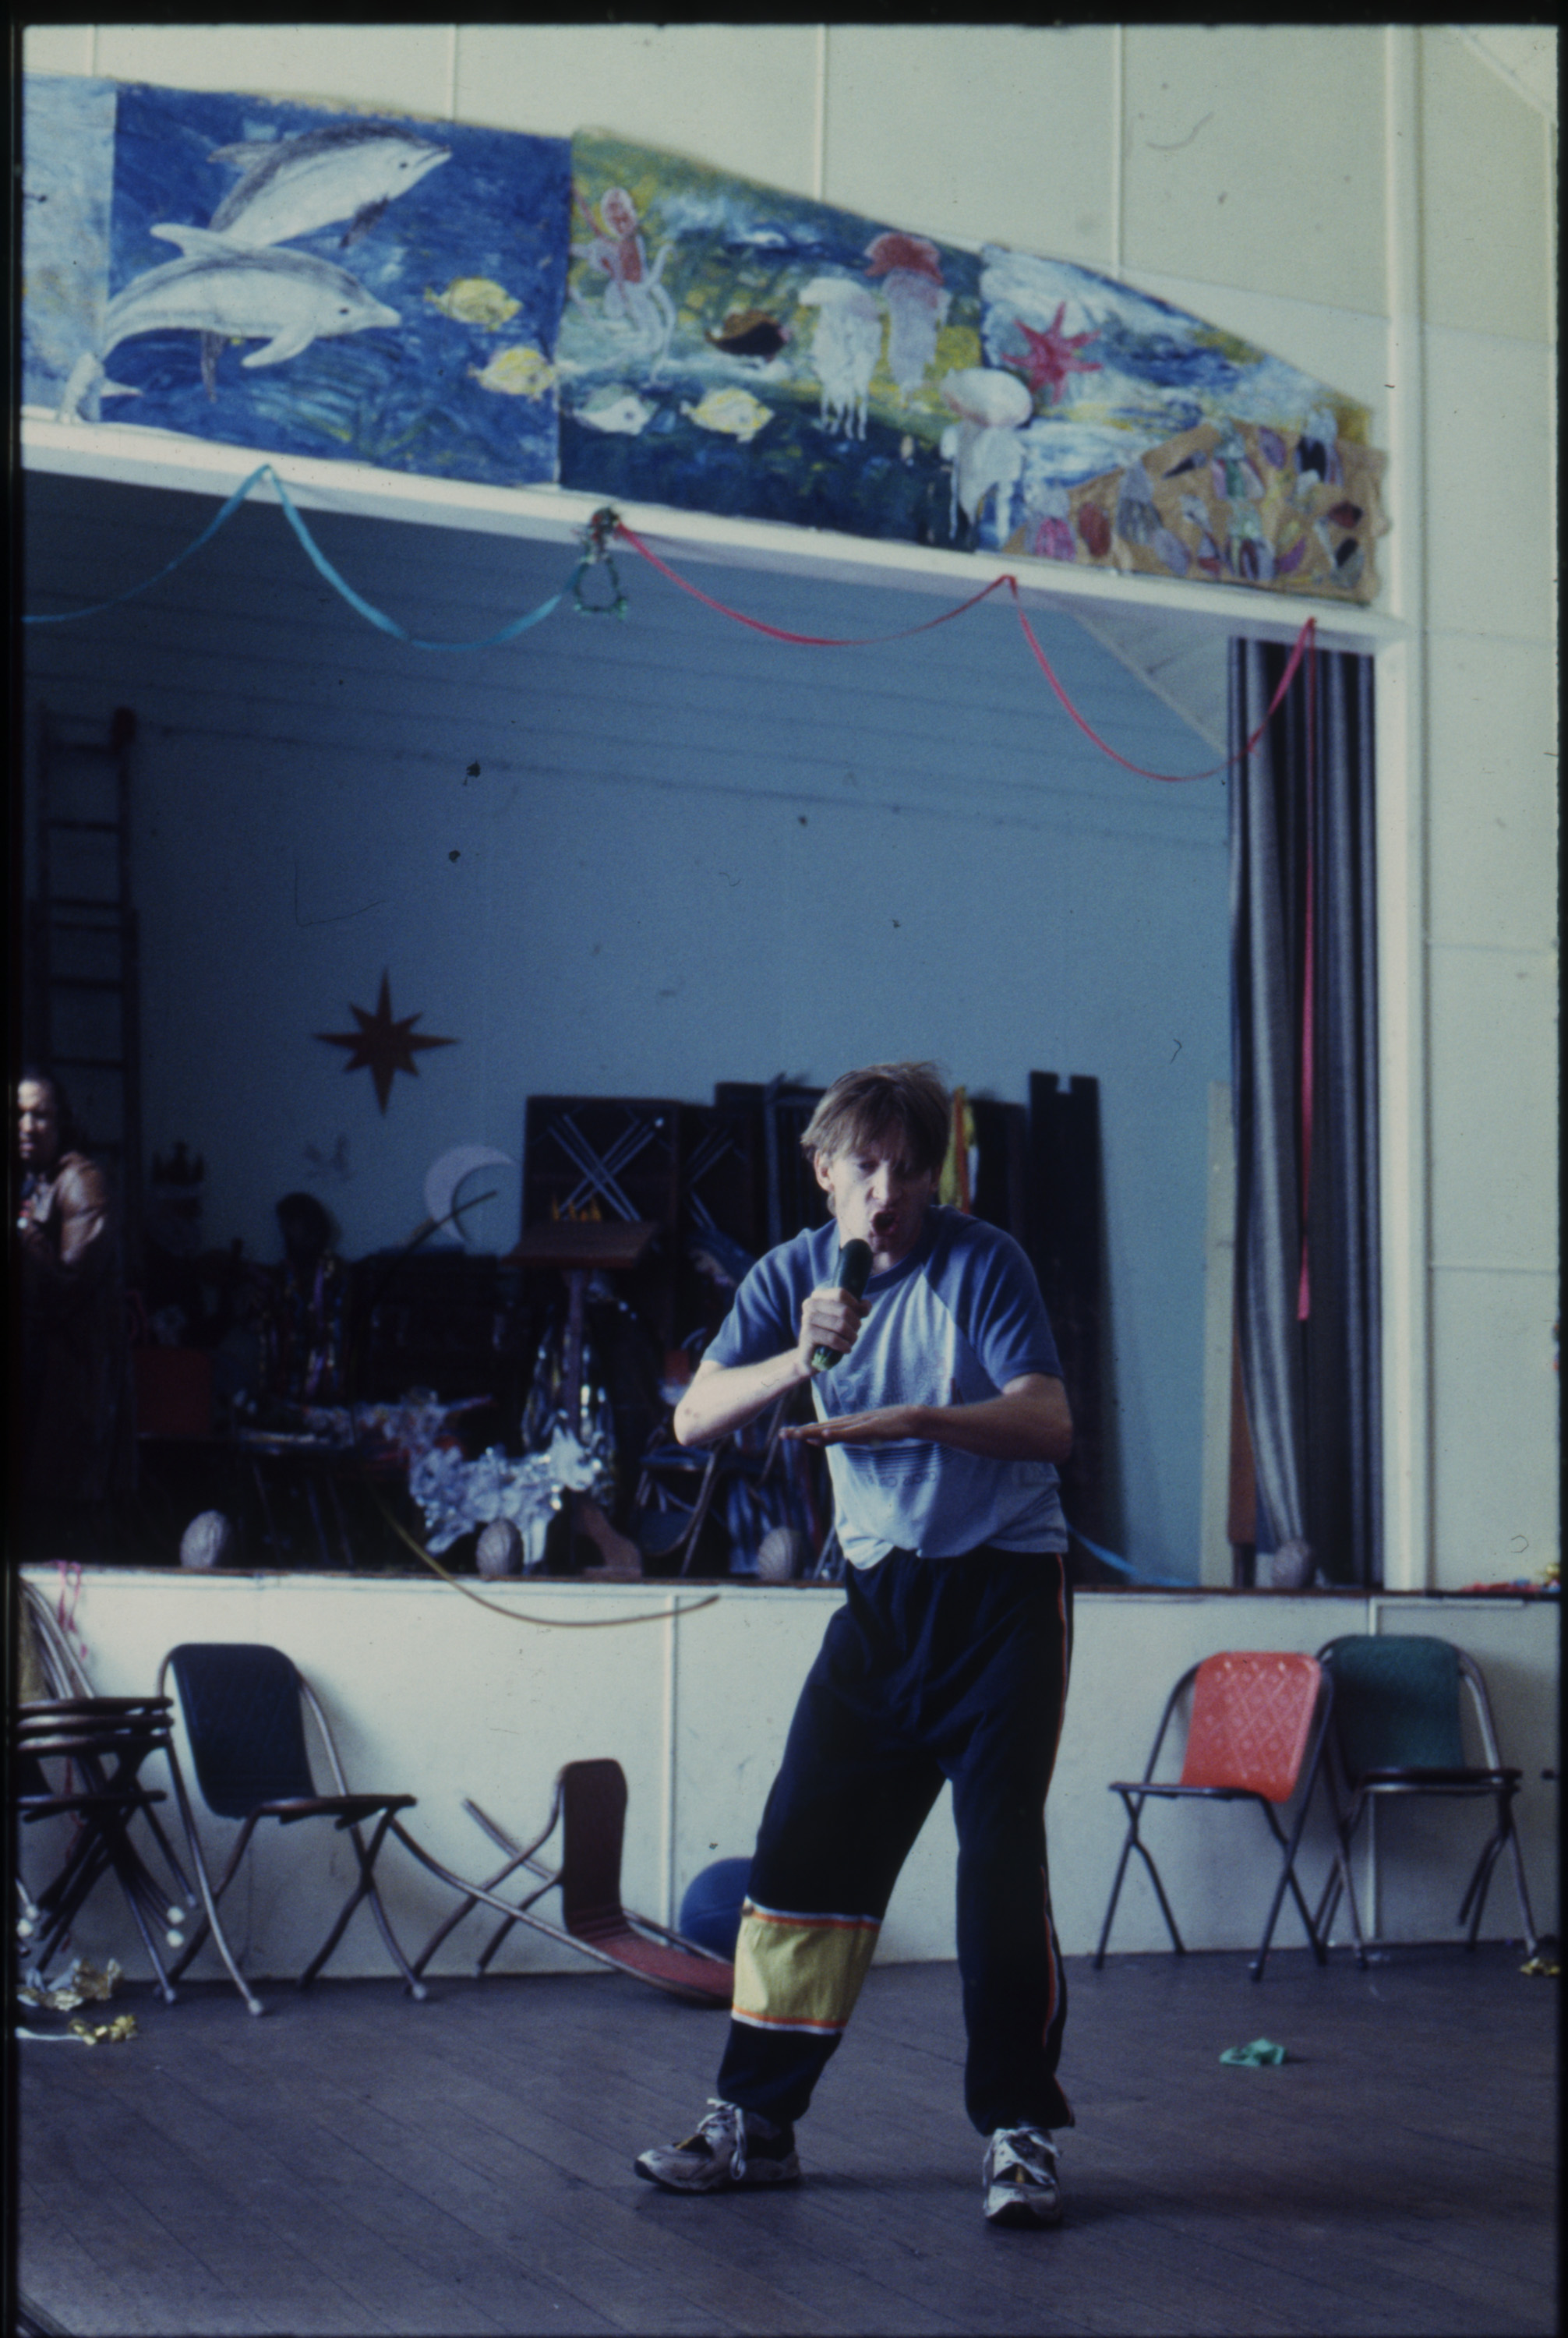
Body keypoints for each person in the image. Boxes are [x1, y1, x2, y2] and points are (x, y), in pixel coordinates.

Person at [635, 1061, 1075, 2229]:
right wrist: (803, 1354)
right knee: (800, 1852)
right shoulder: (792, 1276)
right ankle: (757, 2124)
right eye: (862, 1167)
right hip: (879, 1603)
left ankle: (1020, 2134)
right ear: (823, 1171)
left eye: (907, 1168)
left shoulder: (985, 1265)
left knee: (997, 1871)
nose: (885, 1192)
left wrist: (923, 1417)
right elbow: (691, 1416)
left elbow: (1050, 1421)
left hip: (1003, 1599)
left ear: (934, 1174)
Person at [16, 1069, 136, 1552]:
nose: (27, 1126)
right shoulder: (34, 1182)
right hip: (41, 1395)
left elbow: (66, 1289)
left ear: (61, 1121)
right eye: (19, 1115)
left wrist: (22, 1235)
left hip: (73, 1400)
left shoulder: (82, 1182)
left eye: (40, 1115)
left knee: (65, 1548)